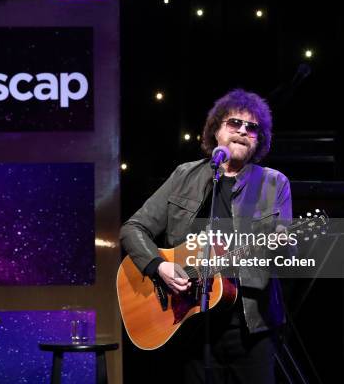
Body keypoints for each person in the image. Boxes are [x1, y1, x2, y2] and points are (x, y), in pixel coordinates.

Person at [120, 88, 292, 383]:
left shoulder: (273, 183)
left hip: (250, 330)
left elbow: (284, 257)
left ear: (259, 140)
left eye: (252, 128)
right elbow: (132, 228)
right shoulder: (184, 176)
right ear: (216, 131)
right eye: (234, 123)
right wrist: (158, 266)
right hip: (189, 326)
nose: (242, 131)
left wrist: (281, 245)